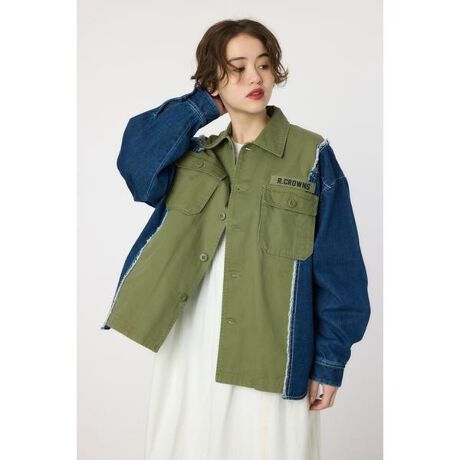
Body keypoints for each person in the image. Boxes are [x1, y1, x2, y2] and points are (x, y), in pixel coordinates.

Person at [101, 18, 371, 460]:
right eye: (237, 68)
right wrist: (201, 105)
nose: (255, 78)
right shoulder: (193, 157)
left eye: (263, 65)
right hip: (190, 346)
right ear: (214, 78)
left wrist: (329, 362)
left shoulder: (312, 155)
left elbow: (341, 269)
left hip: (272, 350)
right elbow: (136, 162)